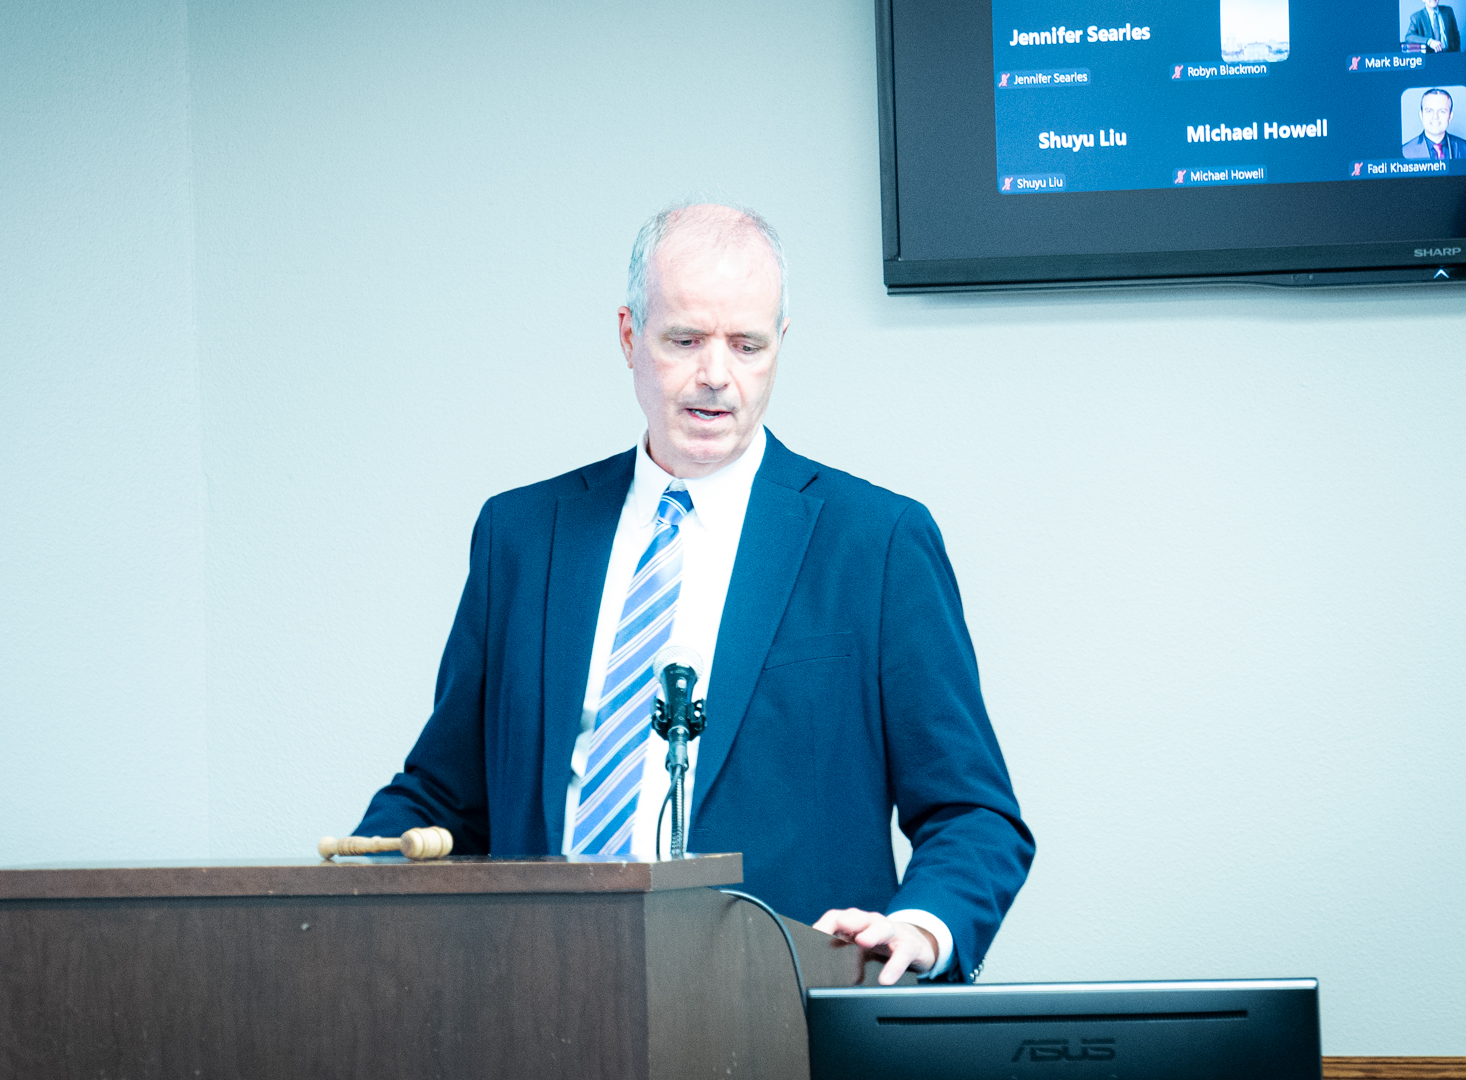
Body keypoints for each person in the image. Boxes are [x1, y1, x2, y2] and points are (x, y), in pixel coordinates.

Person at [351, 203, 1033, 985]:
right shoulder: (521, 535)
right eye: (685, 340)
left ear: (781, 344)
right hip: (538, 1000)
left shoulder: (875, 543)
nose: (717, 375)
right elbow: (445, 794)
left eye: (747, 344)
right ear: (628, 336)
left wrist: (921, 925)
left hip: (780, 1015)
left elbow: (974, 815)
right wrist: (336, 903)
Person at [1403, 88, 1466, 159]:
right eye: (1429, 111)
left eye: (1442, 111)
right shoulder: (1405, 152)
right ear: (1421, 115)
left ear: (1450, 116)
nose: (1435, 116)